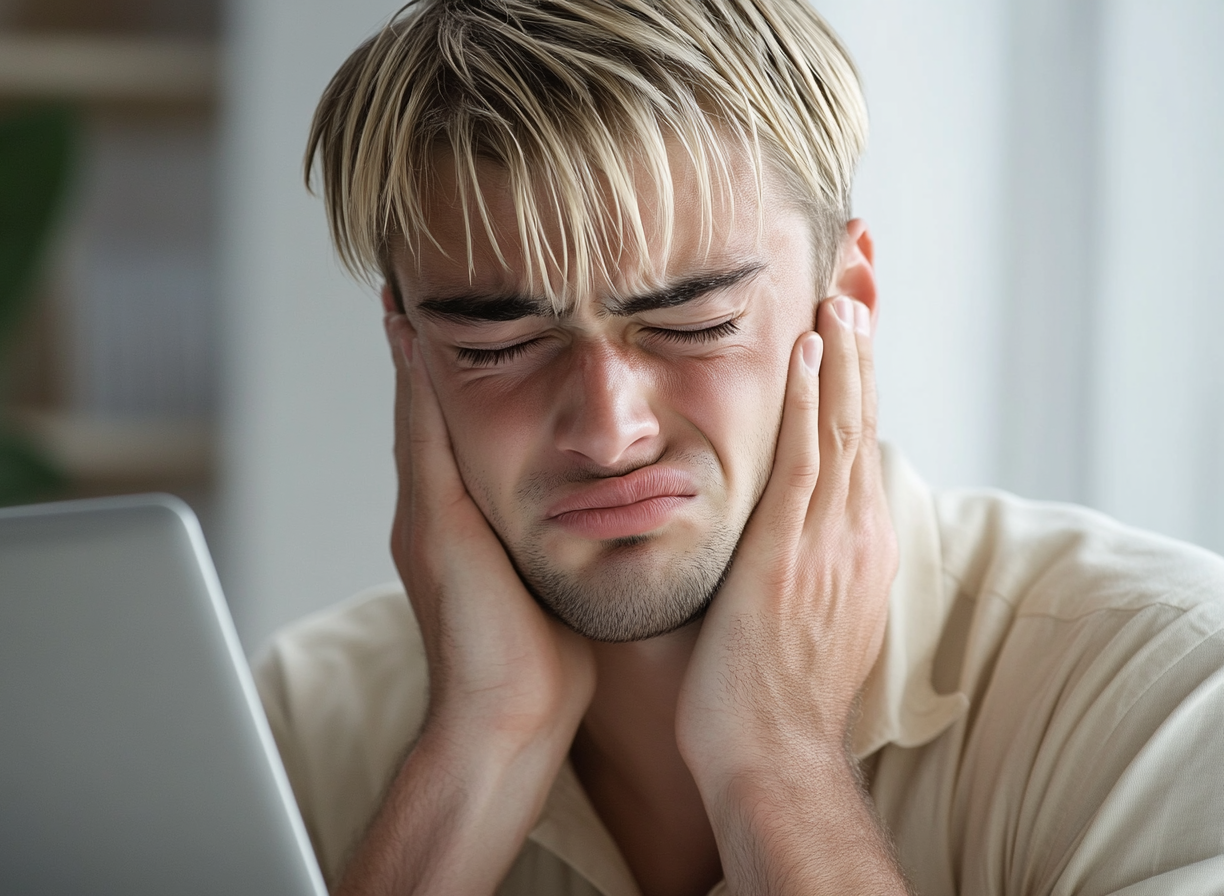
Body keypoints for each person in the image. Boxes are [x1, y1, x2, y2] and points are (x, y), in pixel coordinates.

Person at [254, 1, 1224, 894]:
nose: (609, 429)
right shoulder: (295, 731)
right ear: (409, 350)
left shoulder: (1168, 695)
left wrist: (783, 765)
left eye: (695, 322)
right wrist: (472, 758)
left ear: (849, 304)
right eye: (495, 346)